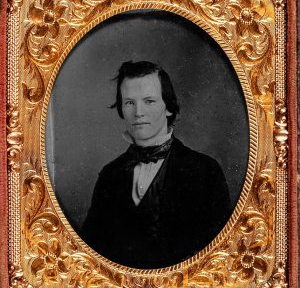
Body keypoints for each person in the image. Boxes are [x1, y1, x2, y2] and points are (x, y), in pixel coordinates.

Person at [80, 61, 231, 269]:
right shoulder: (110, 175)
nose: (138, 112)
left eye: (149, 101)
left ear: (168, 108)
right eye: (129, 103)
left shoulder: (205, 171)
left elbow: (221, 258)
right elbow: (90, 254)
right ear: (122, 109)